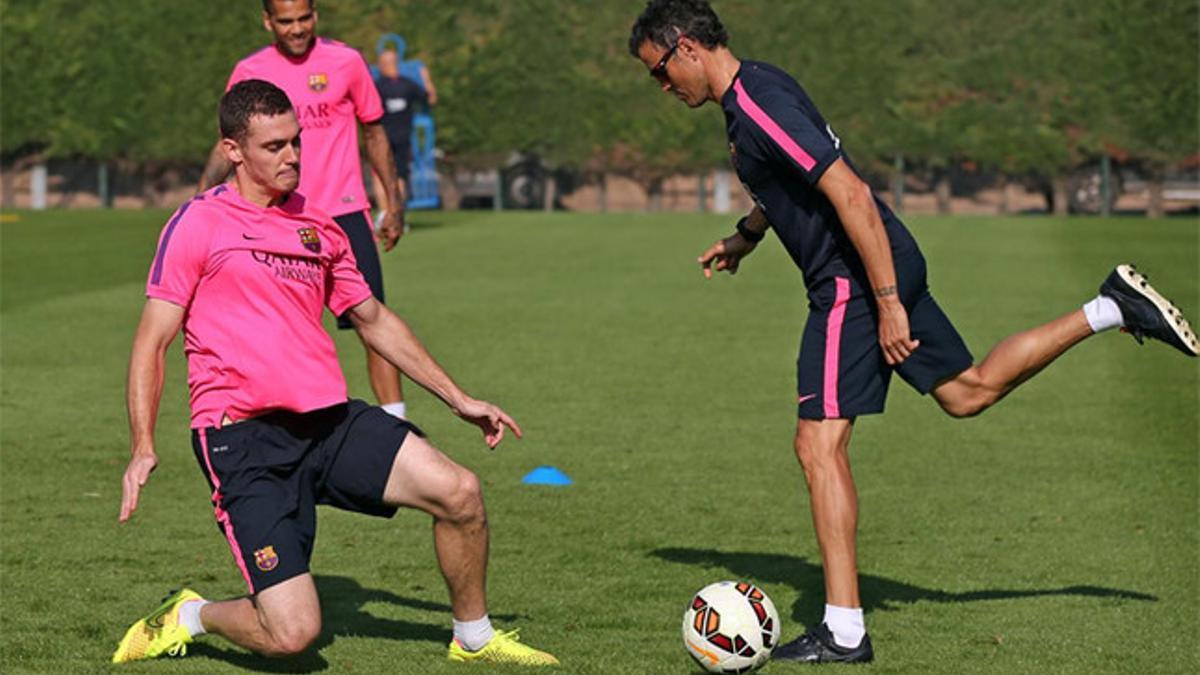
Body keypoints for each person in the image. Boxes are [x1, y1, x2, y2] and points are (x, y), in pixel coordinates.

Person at [628, 0, 1197, 665]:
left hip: (854, 283)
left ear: (688, 47)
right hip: (879, 265)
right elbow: (790, 183)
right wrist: (748, 236)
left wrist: (888, 300)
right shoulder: (756, 90)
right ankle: (1111, 307)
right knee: (967, 392)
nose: (665, 89)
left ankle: (843, 631)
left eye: (661, 73)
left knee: (817, 444)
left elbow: (850, 193)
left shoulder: (757, 104)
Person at [113, 79, 558, 667]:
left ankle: (472, 636)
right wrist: (142, 444)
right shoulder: (198, 223)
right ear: (233, 150)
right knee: (292, 635)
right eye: (274, 146)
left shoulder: (319, 226)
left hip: (329, 424)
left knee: (461, 493)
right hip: (243, 441)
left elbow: (372, 318)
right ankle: (192, 614)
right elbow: (152, 341)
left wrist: (458, 398)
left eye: (295, 141)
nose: (292, 156)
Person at [198, 0, 409, 421]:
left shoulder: (347, 62)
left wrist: (394, 203)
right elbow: (231, 145)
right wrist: (201, 197)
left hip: (345, 214)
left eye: (304, 18)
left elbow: (375, 132)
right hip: (279, 218)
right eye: (286, 21)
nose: (297, 29)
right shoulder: (249, 72)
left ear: (315, 15)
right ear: (267, 21)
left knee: (374, 324)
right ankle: (277, 427)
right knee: (280, 331)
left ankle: (396, 425)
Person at [372, 48, 431, 220]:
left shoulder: (376, 86)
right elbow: (430, 98)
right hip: (402, 138)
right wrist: (426, 77)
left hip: (381, 138)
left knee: (379, 175)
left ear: (382, 64)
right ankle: (396, 216)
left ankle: (384, 215)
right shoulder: (409, 85)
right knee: (399, 177)